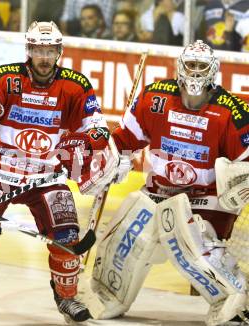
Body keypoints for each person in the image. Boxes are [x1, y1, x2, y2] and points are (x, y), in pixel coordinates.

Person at [0, 21, 117, 324]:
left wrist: (86, 140)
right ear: (29, 50)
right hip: (1, 172)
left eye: (50, 50)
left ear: (59, 51)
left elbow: (97, 127)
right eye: (39, 50)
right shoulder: (4, 77)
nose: (44, 57)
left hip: (47, 176)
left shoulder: (76, 85)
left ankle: (67, 299)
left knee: (67, 237)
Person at [90, 40, 249, 325]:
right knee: (125, 238)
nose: (196, 73)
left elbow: (246, 163)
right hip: (158, 192)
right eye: (191, 65)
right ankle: (113, 296)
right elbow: (125, 138)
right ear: (179, 68)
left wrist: (237, 183)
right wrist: (115, 159)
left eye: (202, 67)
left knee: (186, 235)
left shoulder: (231, 112)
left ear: (213, 71)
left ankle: (234, 298)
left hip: (207, 198)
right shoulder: (155, 98)